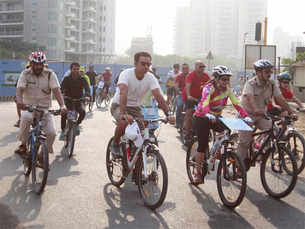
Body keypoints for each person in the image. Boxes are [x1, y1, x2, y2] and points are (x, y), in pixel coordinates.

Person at [192, 66, 251, 184]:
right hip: (202, 117)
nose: (226, 82)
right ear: (216, 79)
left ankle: (218, 152)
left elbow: (236, 104)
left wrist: (245, 115)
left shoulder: (228, 89)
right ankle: (198, 173)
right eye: (223, 79)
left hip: (216, 117)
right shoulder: (208, 88)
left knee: (227, 131)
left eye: (227, 79)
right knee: (202, 145)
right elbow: (204, 103)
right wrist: (207, 114)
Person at [110, 51, 175, 156]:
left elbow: (159, 97)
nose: (146, 67)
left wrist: (169, 114)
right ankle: (115, 143)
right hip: (119, 105)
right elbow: (123, 93)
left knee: (142, 134)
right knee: (124, 121)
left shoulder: (150, 77)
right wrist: (123, 113)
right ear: (135, 63)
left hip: (135, 108)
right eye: (143, 63)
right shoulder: (126, 74)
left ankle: (135, 163)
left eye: (148, 64)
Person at [237, 59, 296, 167]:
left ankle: (260, 150)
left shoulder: (272, 84)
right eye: (266, 72)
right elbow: (250, 98)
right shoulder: (250, 84)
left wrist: (291, 112)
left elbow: (280, 99)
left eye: (270, 72)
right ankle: (239, 165)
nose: (269, 74)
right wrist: (255, 109)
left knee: (275, 130)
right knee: (244, 142)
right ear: (258, 72)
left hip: (261, 115)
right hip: (246, 115)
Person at [15, 51, 66, 156]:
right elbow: (19, 90)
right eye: (36, 64)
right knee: (26, 118)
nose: (38, 66)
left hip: (44, 109)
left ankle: (42, 155)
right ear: (31, 63)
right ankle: (24, 144)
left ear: (44, 64)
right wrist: (20, 102)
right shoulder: (25, 74)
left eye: (41, 64)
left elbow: (56, 91)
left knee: (51, 133)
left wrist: (62, 106)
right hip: (28, 107)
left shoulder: (50, 74)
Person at [60, 63, 90, 140]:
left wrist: (87, 95)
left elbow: (87, 88)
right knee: (64, 114)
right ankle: (63, 131)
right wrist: (62, 93)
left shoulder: (82, 79)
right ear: (71, 69)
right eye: (74, 69)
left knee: (83, 112)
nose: (76, 71)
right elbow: (61, 88)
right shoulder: (67, 79)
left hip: (78, 100)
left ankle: (77, 125)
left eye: (77, 69)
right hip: (68, 100)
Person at [182, 60, 211, 142]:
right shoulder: (190, 75)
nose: (202, 68)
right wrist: (188, 96)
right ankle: (187, 134)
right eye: (200, 66)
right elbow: (188, 86)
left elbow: (210, 85)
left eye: (203, 67)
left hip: (200, 98)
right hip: (189, 97)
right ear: (195, 67)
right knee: (189, 113)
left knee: (206, 113)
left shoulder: (206, 76)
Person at [14, 62, 32, 128]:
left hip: (36, 98)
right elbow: (17, 87)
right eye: (28, 67)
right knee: (18, 102)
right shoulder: (23, 76)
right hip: (24, 96)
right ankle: (20, 118)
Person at [174, 63, 189, 129]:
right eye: (183, 68)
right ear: (181, 69)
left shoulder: (191, 76)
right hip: (181, 95)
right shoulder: (178, 76)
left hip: (190, 95)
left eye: (186, 68)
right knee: (180, 105)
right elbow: (176, 87)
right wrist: (179, 92)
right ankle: (177, 122)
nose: (185, 70)